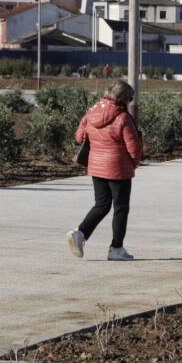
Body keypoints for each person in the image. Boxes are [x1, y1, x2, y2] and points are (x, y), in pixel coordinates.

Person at [68, 82, 145, 261]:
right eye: (130, 98)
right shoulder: (123, 117)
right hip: (119, 168)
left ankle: (80, 234)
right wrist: (134, 163)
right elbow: (133, 147)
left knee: (101, 205)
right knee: (121, 208)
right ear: (124, 98)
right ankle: (116, 249)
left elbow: (79, 137)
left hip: (96, 166)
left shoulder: (91, 111)